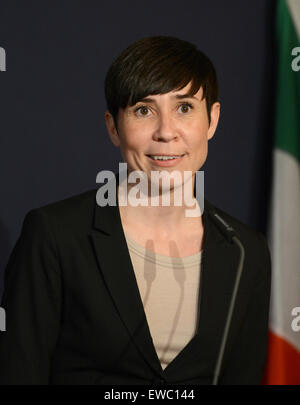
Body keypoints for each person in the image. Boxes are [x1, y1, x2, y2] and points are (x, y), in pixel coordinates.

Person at [0, 36, 271, 385]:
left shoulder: (246, 251)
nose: (166, 132)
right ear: (114, 127)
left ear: (213, 120)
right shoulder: (55, 236)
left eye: (184, 108)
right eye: (143, 110)